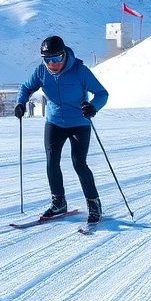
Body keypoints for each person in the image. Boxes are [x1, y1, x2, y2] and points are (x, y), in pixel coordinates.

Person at [15, 35, 110, 225]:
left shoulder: (80, 71)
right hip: (55, 122)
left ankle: (94, 204)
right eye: (47, 59)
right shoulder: (41, 71)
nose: (52, 64)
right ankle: (58, 202)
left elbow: (102, 93)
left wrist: (93, 106)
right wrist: (20, 102)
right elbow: (26, 87)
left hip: (79, 122)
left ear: (64, 55)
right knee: (52, 161)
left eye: (56, 59)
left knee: (79, 163)